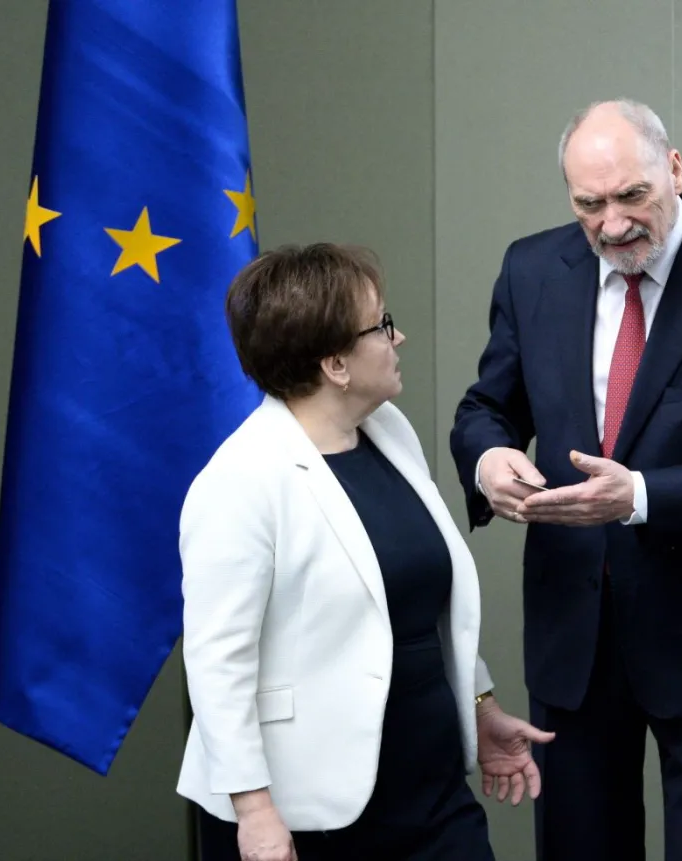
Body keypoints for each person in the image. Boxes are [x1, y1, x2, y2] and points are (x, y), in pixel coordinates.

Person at [449, 99, 682, 861]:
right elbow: (487, 407)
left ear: (674, 169)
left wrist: (640, 497)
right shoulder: (531, 269)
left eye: (631, 196)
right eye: (589, 204)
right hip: (574, 643)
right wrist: (489, 461)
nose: (612, 224)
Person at [177, 243, 553, 861]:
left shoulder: (389, 432)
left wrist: (480, 706)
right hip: (305, 813)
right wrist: (256, 813)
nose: (398, 336)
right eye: (381, 325)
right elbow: (217, 667)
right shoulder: (240, 480)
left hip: (429, 790)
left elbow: (418, 604)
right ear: (336, 365)